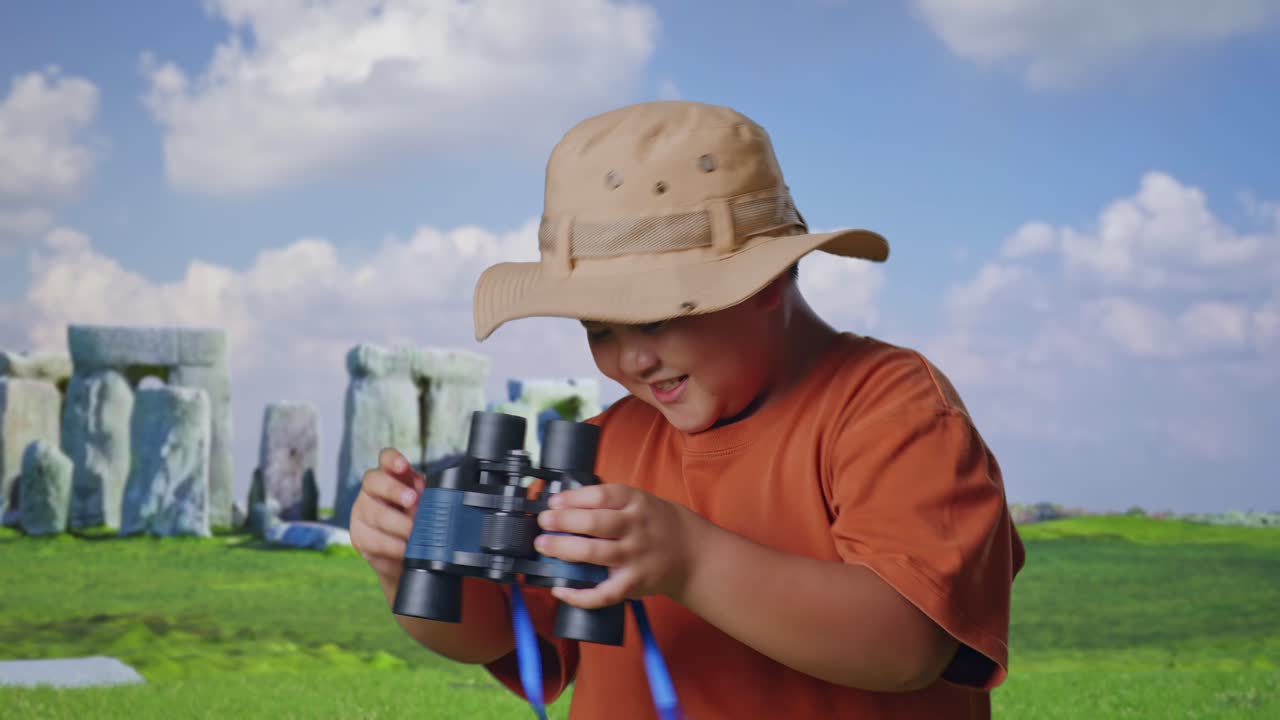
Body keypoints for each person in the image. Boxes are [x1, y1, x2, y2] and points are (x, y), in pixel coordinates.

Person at [350, 100, 1026, 719]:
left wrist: (690, 560)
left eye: (655, 321)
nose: (631, 363)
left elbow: (909, 649)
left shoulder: (889, 407)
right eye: (601, 331)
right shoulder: (604, 444)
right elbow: (500, 632)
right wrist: (409, 564)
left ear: (762, 285)